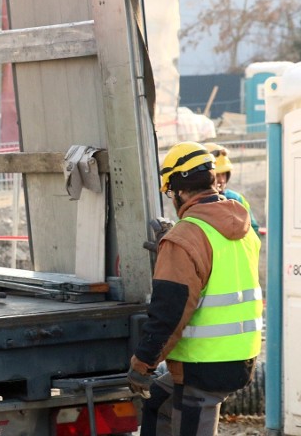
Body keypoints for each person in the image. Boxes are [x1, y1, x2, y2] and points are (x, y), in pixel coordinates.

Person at [127, 141, 263, 436]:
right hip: (241, 356)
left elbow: (169, 312)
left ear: (177, 191)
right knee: (159, 404)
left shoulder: (187, 237)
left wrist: (144, 363)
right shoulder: (240, 224)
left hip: (204, 364)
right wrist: (177, 243)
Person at [204, 142, 260, 236]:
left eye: (224, 174)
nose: (221, 180)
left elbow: (253, 229)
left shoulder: (237, 199)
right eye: (217, 175)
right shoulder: (197, 203)